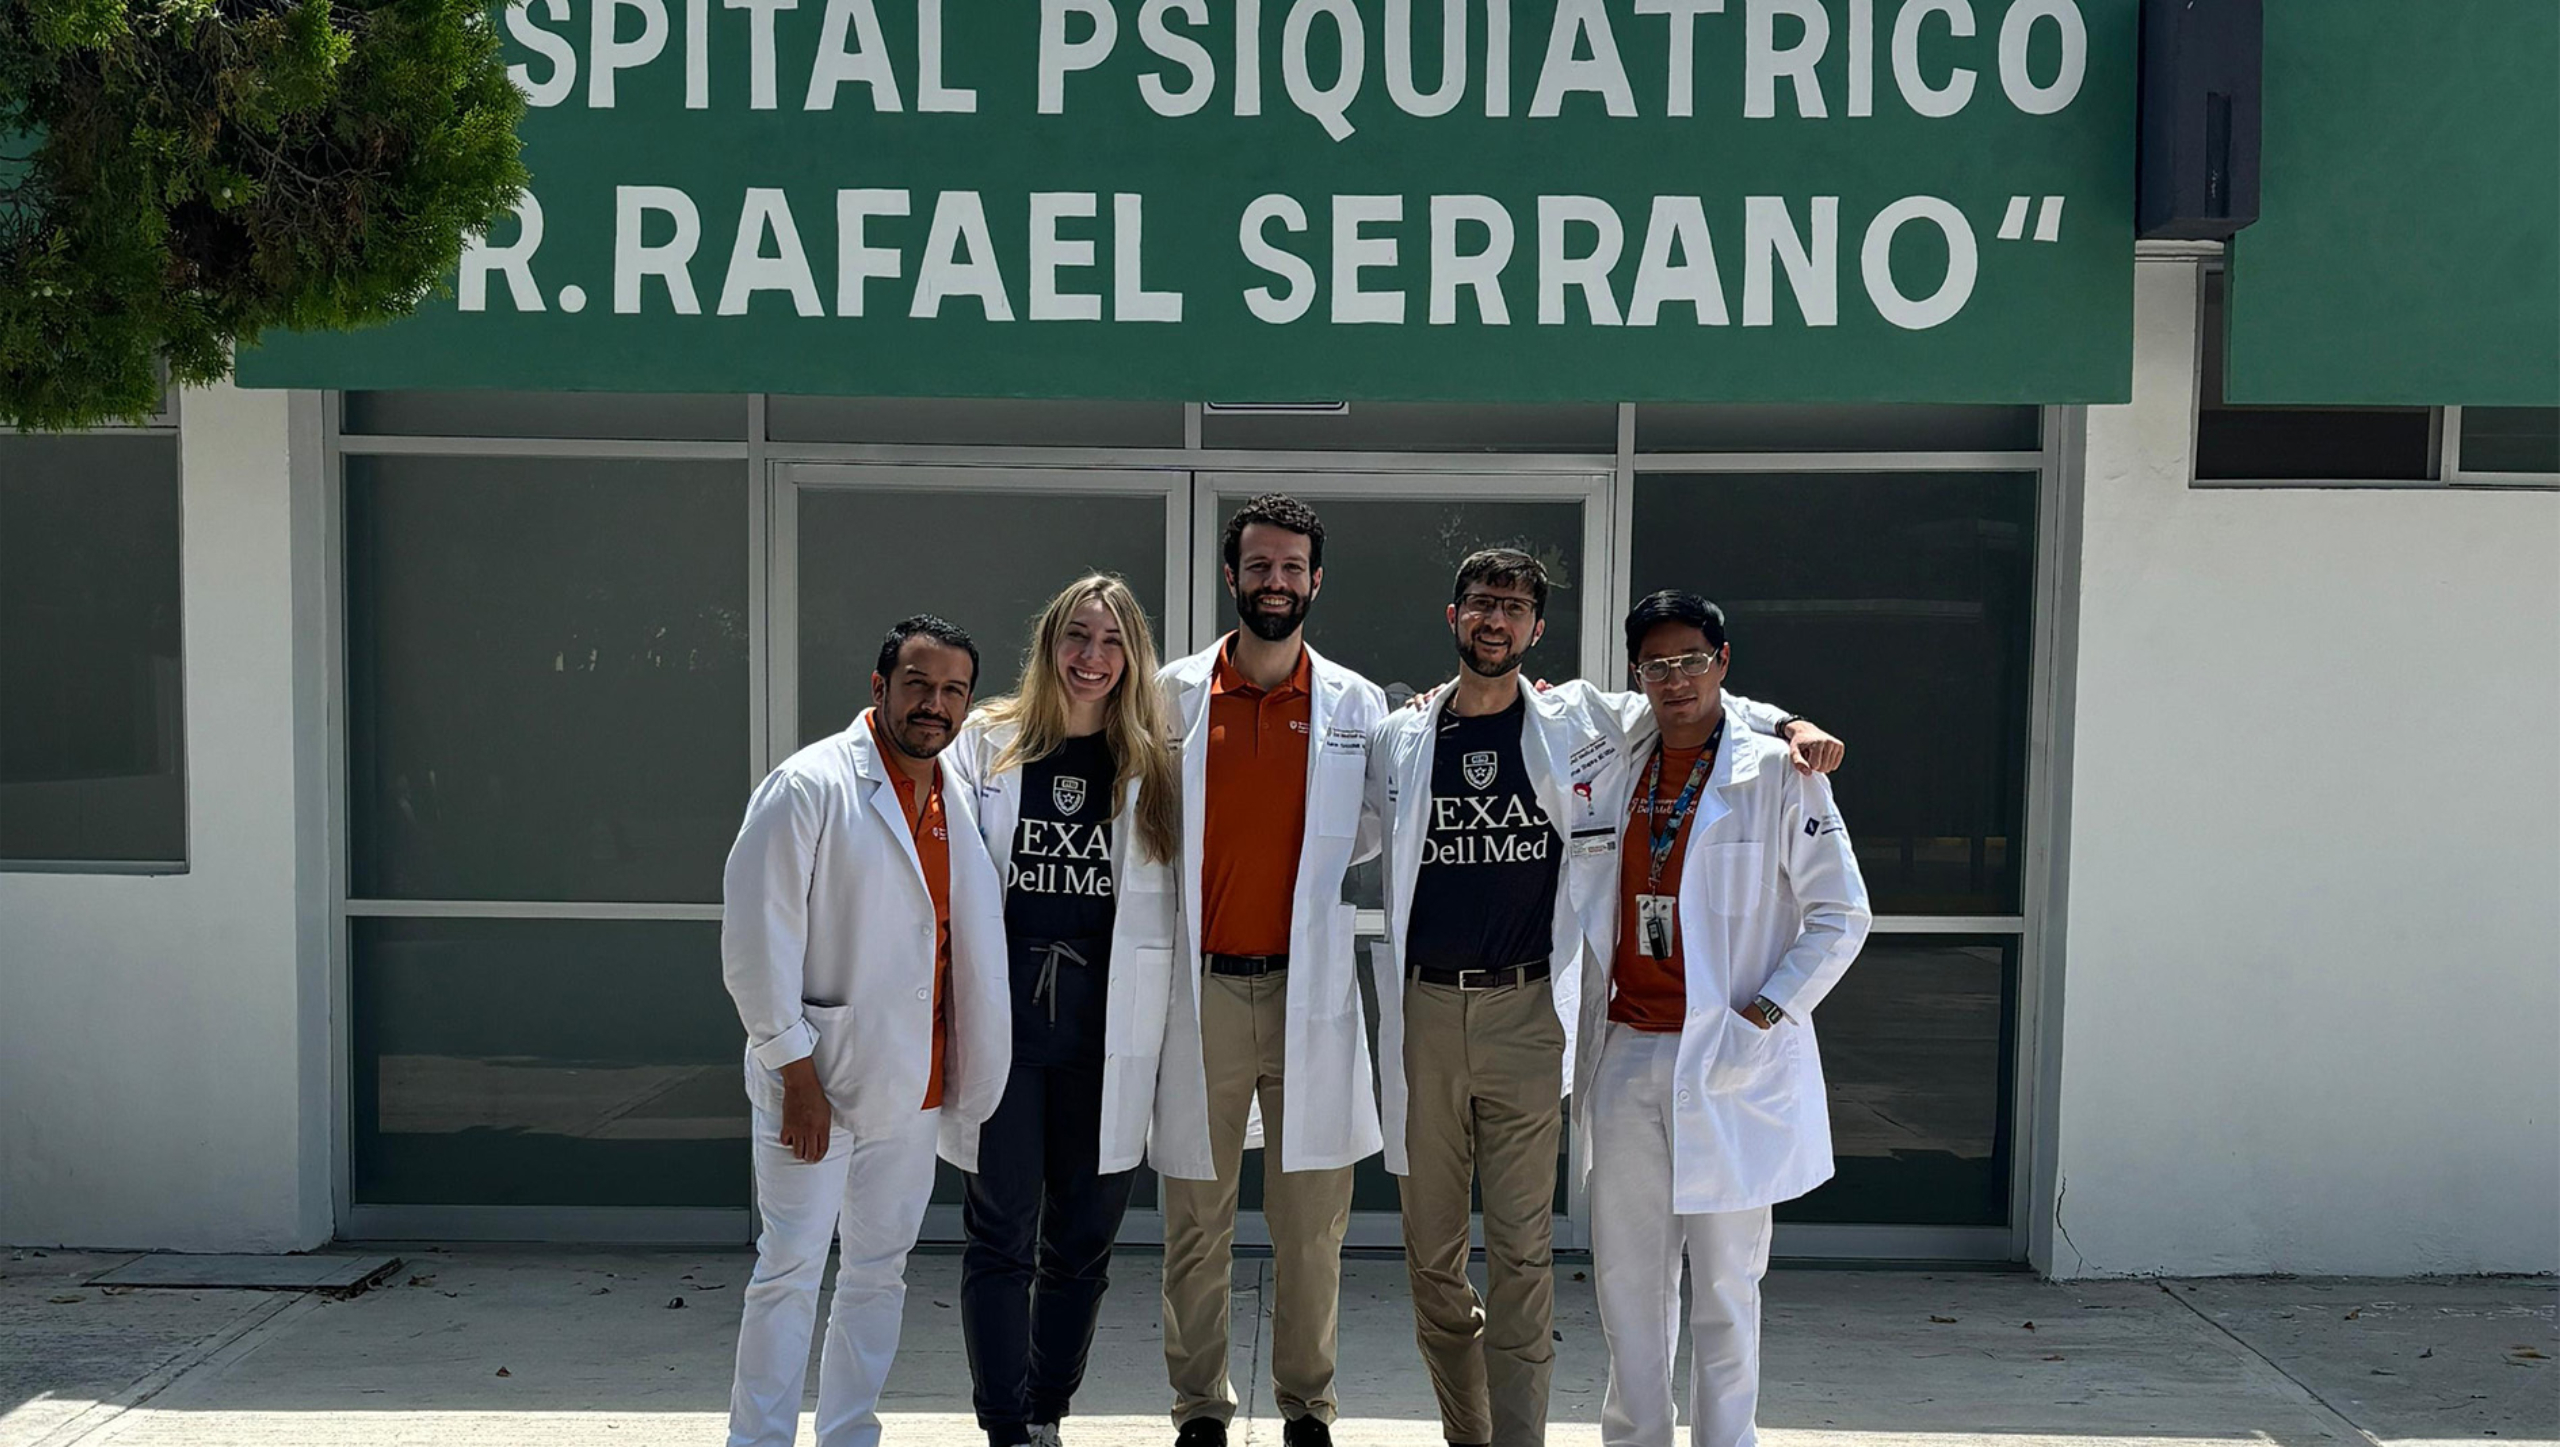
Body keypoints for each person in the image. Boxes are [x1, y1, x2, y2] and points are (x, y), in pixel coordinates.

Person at [1365, 551, 1843, 1447]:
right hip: (1526, 1029)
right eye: (1480, 603)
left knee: (1677, 1279)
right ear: (1453, 615)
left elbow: (1711, 715)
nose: (1495, 619)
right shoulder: (1417, 733)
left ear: (1537, 629)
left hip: (1591, 1025)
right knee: (1590, 1277)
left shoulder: (1588, 725)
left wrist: (1793, 721)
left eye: (1513, 606)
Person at [1575, 591, 1872, 1447]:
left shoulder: (1780, 772)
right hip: (1628, 1052)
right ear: (1637, 675)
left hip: (1731, 1058)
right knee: (1629, 1283)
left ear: (1724, 662)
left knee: (1726, 1289)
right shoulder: (1620, 753)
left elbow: (1840, 914)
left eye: (1693, 660)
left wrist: (1764, 1017)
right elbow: (1533, 699)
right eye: (1657, 665)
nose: (1677, 680)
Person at [719, 614, 1012, 1447]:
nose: (936, 704)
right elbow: (753, 944)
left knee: (878, 1273)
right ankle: (760, 1439)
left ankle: (849, 1431)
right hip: (815, 1084)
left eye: (954, 689)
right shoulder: (808, 785)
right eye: (918, 684)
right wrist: (794, 1076)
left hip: (914, 1088)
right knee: (789, 1272)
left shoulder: (960, 793)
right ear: (879, 687)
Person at [1154, 493, 1388, 1447]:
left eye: (1293, 567)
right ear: (1231, 575)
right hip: (1201, 990)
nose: (1276, 582)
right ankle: (1201, 1404)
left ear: (1316, 580)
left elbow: (1378, 821)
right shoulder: (1170, 694)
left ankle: (1306, 1404)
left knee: (1311, 1221)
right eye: (1260, 566)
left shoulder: (1356, 703)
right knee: (1195, 1217)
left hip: (1311, 990)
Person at [942, 575, 1195, 1447]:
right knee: (1001, 1232)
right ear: (1050, 645)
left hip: (1106, 1039)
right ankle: (1006, 1424)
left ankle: (1048, 1407)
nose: (1093, 658)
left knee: (1082, 1242)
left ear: (1134, 658)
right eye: (1077, 637)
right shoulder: (987, 744)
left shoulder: (1155, 762)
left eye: (1112, 641)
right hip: (1005, 1035)